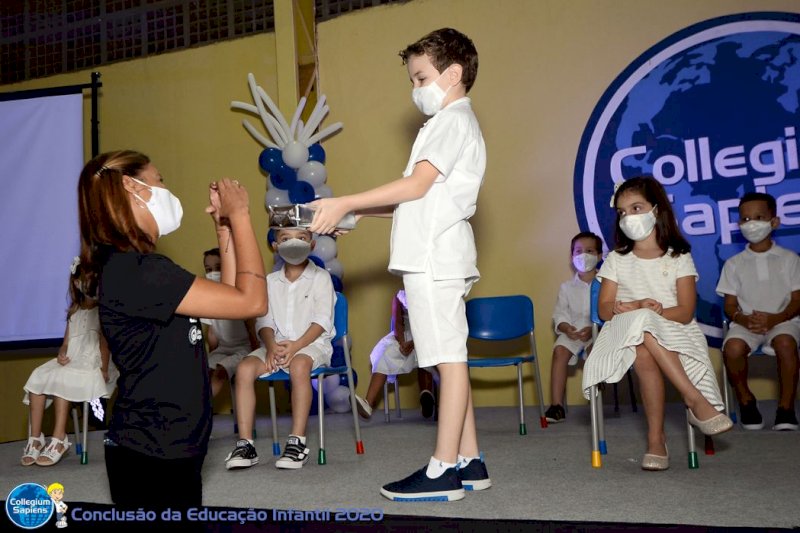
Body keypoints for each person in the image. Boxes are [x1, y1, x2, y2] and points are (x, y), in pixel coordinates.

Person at [309, 28, 489, 501]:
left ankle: (443, 470)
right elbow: (421, 196)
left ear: (453, 74)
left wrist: (346, 197)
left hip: (436, 257)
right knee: (452, 358)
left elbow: (414, 187)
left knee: (448, 362)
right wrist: (356, 212)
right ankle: (470, 459)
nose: (415, 88)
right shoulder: (447, 123)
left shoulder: (452, 121)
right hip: (436, 253)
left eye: (421, 76)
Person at [77, 150, 266, 509]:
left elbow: (227, 300)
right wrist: (241, 215)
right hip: (151, 450)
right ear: (133, 188)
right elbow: (252, 302)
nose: (166, 188)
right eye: (159, 180)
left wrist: (223, 227)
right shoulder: (141, 271)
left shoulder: (139, 269)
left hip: (171, 443)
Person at [582, 176, 732, 472]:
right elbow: (605, 309)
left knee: (644, 344)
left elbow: (686, 312)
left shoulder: (679, 256)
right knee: (640, 331)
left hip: (675, 328)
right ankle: (693, 400)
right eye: (623, 212)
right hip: (622, 330)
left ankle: (656, 441)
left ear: (656, 209)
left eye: (636, 207)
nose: (629, 217)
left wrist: (652, 314)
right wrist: (638, 307)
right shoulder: (616, 259)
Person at [226, 227, 335, 471]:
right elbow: (264, 321)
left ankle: (297, 442)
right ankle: (245, 444)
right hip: (275, 345)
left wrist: (296, 346)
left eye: (302, 238)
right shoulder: (269, 282)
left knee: (299, 365)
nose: (294, 243)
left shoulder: (321, 278)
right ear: (275, 246)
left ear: (313, 244)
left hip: (311, 344)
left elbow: (322, 321)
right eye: (286, 239)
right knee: (244, 369)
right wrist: (272, 346)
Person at [716, 192, 800, 431]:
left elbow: (797, 300)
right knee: (732, 349)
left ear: (774, 222)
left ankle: (785, 409)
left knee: (785, 343)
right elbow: (730, 306)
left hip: (785, 321)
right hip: (746, 324)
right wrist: (744, 319)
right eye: (744, 219)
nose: (751, 223)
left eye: (758, 217)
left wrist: (775, 318)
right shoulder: (734, 264)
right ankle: (746, 401)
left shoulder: (790, 259)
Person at [21, 259, 118, 467]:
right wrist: (62, 354)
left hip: (92, 361)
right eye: (83, 280)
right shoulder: (74, 310)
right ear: (76, 283)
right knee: (39, 375)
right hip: (73, 358)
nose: (88, 283)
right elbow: (65, 344)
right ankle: (35, 438)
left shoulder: (103, 310)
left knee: (62, 378)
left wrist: (103, 368)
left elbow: (104, 344)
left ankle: (59, 438)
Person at [545, 231, 602, 423]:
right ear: (571, 257)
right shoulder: (566, 287)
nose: (583, 255)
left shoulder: (606, 285)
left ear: (599, 256)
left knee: (596, 352)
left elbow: (611, 313)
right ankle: (556, 406)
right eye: (578, 251)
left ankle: (595, 402)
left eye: (589, 250)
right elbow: (560, 313)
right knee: (560, 351)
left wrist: (596, 328)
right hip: (573, 330)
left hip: (598, 331)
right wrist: (566, 327)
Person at [354, 289, 437, 420]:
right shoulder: (399, 296)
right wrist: (403, 342)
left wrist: (416, 342)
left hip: (428, 336)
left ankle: (427, 395)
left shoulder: (431, 292)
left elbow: (434, 324)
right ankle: (368, 403)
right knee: (385, 353)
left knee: (426, 354)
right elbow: (397, 322)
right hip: (405, 336)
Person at [201, 247, 260, 400]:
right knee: (202, 371)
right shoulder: (208, 298)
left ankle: (204, 408)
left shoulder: (238, 294)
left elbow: (251, 326)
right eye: (208, 269)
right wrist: (211, 356)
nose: (213, 273)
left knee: (221, 370)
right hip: (223, 348)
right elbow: (212, 334)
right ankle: (195, 408)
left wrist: (256, 353)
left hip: (243, 348)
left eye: (219, 268)